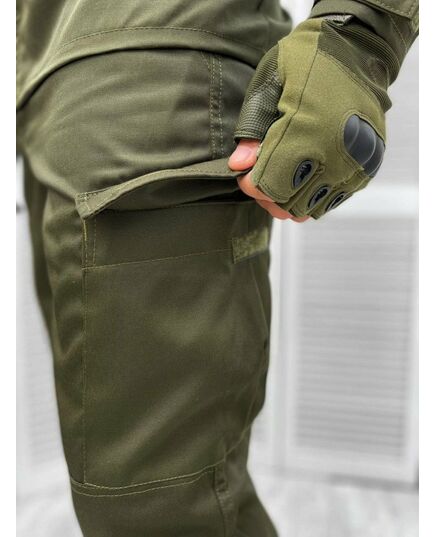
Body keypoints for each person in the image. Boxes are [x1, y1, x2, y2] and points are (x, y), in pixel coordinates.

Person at [16, 1, 418, 535]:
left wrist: (360, 32)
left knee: (155, 507)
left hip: (159, 79)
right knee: (117, 484)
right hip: (43, 95)